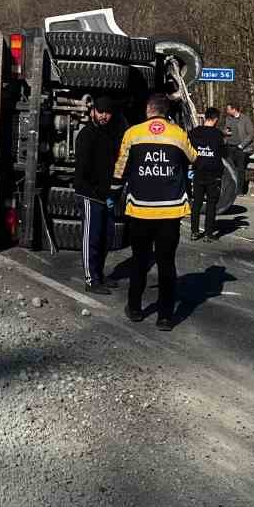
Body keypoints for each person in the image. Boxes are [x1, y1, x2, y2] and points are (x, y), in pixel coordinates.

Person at [113, 92, 196, 331]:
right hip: (170, 211)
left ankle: (135, 308)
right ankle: (165, 317)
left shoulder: (133, 133)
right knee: (166, 263)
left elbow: (119, 170)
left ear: (148, 110)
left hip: (140, 209)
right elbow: (194, 159)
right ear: (166, 111)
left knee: (140, 261)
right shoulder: (178, 134)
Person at [72, 96, 126, 294]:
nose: (104, 116)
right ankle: (90, 279)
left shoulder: (110, 135)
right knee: (92, 236)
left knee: (106, 237)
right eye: (101, 112)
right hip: (90, 194)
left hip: (107, 195)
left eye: (108, 112)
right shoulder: (86, 135)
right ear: (93, 111)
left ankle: (100, 275)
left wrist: (113, 190)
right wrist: (99, 190)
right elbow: (83, 171)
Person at [187, 106, 227, 241]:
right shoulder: (218, 135)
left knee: (196, 203)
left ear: (205, 117)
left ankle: (194, 231)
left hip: (198, 171)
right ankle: (208, 234)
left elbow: (188, 150)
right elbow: (224, 153)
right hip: (213, 173)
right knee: (211, 204)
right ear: (215, 119)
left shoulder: (193, 133)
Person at [224, 103, 254, 195]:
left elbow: (251, 134)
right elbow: (226, 130)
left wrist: (242, 145)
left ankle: (239, 191)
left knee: (240, 170)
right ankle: (230, 190)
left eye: (228, 109)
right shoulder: (228, 118)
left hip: (241, 148)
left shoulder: (245, 119)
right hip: (229, 146)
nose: (227, 111)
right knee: (230, 169)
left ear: (234, 109)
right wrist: (225, 132)